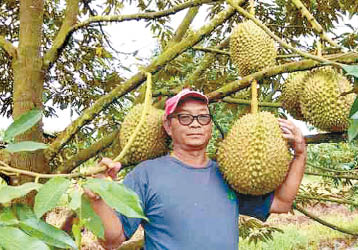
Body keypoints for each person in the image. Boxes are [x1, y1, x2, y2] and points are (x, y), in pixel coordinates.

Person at [87, 89, 307, 250]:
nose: (195, 123)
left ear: (210, 126)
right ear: (168, 126)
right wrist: (98, 199)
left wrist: (299, 154)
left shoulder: (229, 175)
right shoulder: (146, 175)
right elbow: (112, 240)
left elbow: (282, 203)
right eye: (184, 117)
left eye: (203, 117)